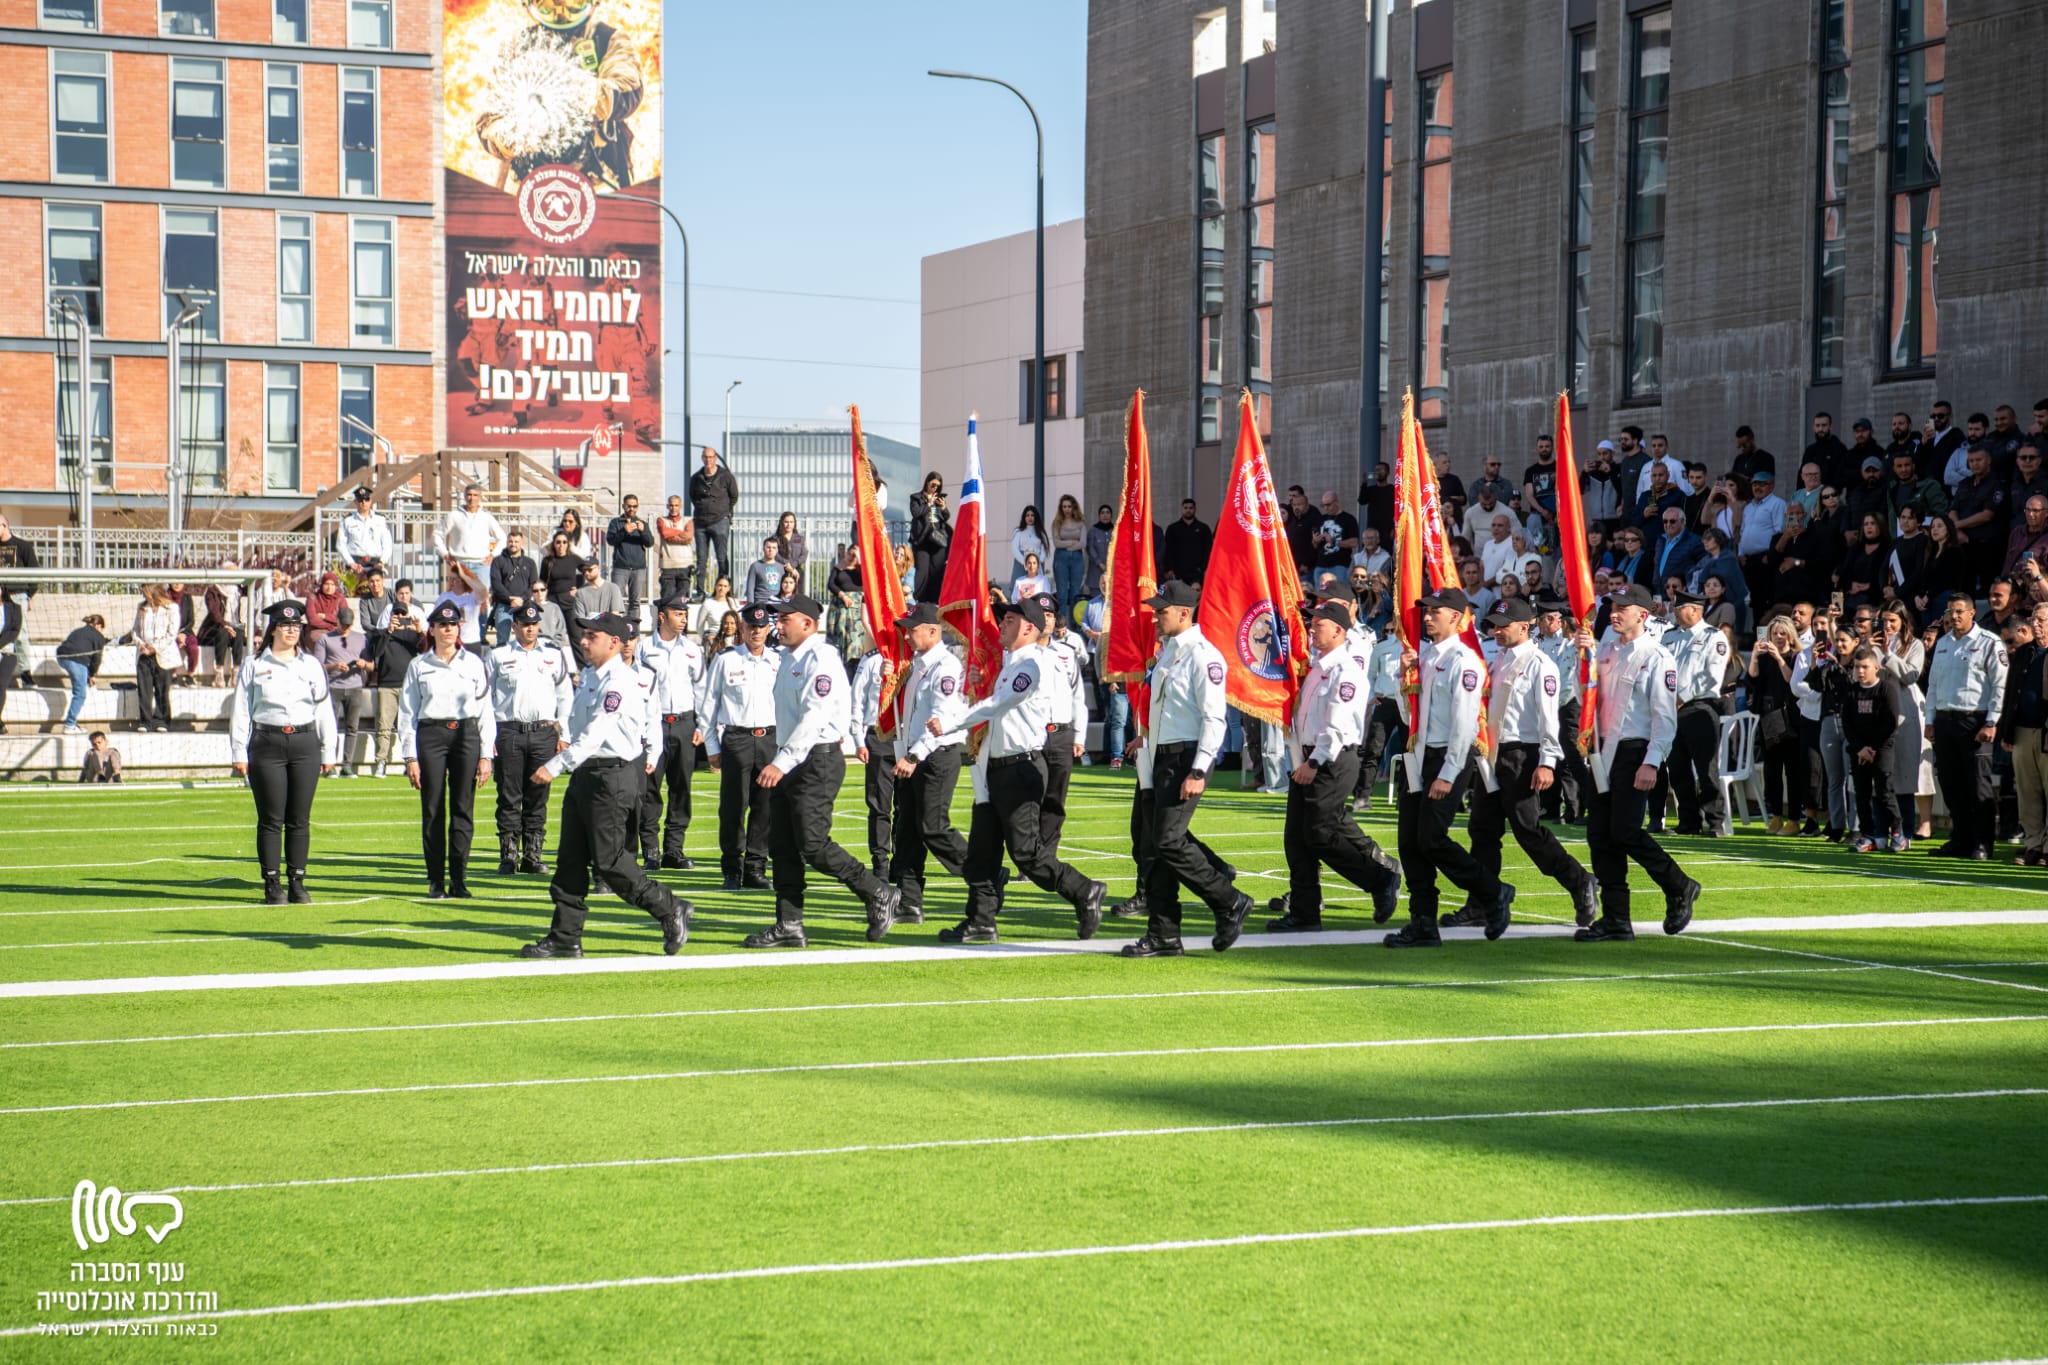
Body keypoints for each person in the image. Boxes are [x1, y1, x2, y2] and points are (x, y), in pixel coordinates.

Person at [518, 613, 693, 960]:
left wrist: (554, 767)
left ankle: (669, 907)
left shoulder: (619, 682)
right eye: (583, 635)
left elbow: (596, 732)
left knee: (610, 862)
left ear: (613, 642)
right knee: (569, 859)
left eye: (591, 636)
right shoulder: (590, 677)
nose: (583, 641)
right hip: (588, 774)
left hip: (612, 776)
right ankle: (565, 936)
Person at [942, 598, 1108, 946]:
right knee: (982, 853)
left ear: (1029, 628)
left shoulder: (1030, 665)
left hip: (1021, 768)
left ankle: (1084, 890)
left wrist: (950, 721)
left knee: (1028, 854)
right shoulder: (1011, 663)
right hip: (998, 767)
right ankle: (980, 920)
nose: (1002, 624)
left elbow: (1000, 704)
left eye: (1010, 620)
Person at [740, 594, 901, 948]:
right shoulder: (788, 658)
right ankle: (789, 923)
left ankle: (876, 891)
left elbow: (814, 717)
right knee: (782, 846)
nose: (776, 625)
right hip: (793, 757)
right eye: (776, 619)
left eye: (784, 619)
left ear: (808, 624)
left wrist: (780, 763)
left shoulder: (821, 658)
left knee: (812, 843)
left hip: (816, 759)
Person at [1120, 582, 1252, 957]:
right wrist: (1147, 740)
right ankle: (1163, 934)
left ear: (1183, 613)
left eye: (1162, 610)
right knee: (1157, 846)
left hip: (1187, 758)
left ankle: (1228, 900)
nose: (1156, 616)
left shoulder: (1202, 656)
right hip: (1162, 755)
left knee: (1167, 841)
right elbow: (1165, 710)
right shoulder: (1169, 654)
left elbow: (1214, 718)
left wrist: (1198, 769)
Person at [1453, 598, 1597, 927]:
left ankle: (1579, 881)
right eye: (1495, 624)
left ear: (1524, 626)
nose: (1497, 630)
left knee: (1528, 831)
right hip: (1492, 753)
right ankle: (1482, 902)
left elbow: (1550, 719)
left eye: (1504, 625)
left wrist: (1547, 761)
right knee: (1482, 831)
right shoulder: (1495, 659)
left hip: (1523, 754)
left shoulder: (1539, 664)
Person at [1382, 588, 1513, 948]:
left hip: (1446, 758)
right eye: (1426, 611)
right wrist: (1400, 677)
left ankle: (1493, 890)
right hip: (1420, 755)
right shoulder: (1425, 658)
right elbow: (1409, 714)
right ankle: (1422, 922)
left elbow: (1465, 724)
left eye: (1436, 611)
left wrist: (1448, 773)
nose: (1427, 617)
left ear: (1456, 618)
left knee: (1431, 838)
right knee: (1410, 843)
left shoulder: (1464, 662)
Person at [1264, 600, 1402, 934]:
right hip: (1309, 758)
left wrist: (1314, 761)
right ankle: (1305, 911)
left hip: (1332, 759)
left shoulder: (1346, 670)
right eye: (1312, 623)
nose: (1312, 628)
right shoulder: (1316, 667)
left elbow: (1337, 724)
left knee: (1320, 834)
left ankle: (1380, 879)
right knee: (1297, 839)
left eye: (1319, 624)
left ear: (1338, 630)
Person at [1573, 584, 1700, 941]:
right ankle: (1616, 918)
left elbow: (1664, 716)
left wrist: (1653, 762)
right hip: (1603, 751)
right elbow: (1584, 695)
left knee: (1625, 831)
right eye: (1613, 606)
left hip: (1634, 750)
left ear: (1642, 614)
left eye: (1622, 608)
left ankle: (1679, 885)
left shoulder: (1656, 656)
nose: (1614, 613)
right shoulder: (1607, 650)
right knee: (1600, 836)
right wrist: (1581, 658)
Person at [229, 600, 337, 905]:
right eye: (286, 625)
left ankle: (297, 881)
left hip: (304, 743)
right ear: (273, 629)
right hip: (267, 743)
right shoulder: (255, 664)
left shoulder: (310, 664)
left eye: (296, 626)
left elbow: (323, 709)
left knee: (300, 818)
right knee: (271, 818)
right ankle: (272, 883)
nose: (292, 631)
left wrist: (329, 750)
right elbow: (241, 710)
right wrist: (239, 750)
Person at [881, 603, 969, 933]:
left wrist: (914, 756)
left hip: (935, 755)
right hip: (913, 755)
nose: (907, 633)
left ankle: (984, 874)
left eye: (913, 628)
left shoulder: (945, 667)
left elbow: (940, 720)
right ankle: (908, 901)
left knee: (932, 827)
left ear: (933, 630)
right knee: (906, 832)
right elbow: (910, 717)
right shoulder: (917, 665)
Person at [398, 602, 496, 898]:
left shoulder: (473, 663)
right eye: (442, 625)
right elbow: (407, 713)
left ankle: (459, 878)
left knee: (463, 809)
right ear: (432, 629)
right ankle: (436, 880)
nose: (448, 630)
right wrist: (410, 756)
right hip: (431, 734)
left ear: (459, 628)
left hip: (465, 734)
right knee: (433, 808)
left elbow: (485, 710)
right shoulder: (419, 665)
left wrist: (486, 754)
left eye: (453, 625)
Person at [487, 602, 573, 874]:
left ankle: (533, 855)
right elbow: (484, 699)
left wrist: (565, 734)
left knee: (538, 795)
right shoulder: (498, 656)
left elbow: (566, 696)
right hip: (509, 731)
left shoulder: (553, 655)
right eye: (525, 624)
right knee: (509, 796)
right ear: (514, 627)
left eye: (534, 624)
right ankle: (509, 855)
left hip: (544, 733)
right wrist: (487, 736)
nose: (530, 629)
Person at [700, 601, 780, 889]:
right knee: (733, 807)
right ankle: (732, 868)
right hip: (737, 739)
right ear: (742, 628)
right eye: (751, 627)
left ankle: (756, 868)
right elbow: (708, 704)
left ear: (768, 628)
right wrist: (712, 747)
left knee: (764, 806)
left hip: (770, 739)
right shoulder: (726, 659)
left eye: (761, 627)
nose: (756, 632)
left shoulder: (777, 660)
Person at [1924, 592, 2006, 860]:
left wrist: (1992, 721)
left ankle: (1982, 843)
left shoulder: (1989, 643)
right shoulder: (1944, 643)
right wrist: (1931, 720)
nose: (1954, 617)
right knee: (1951, 783)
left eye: (1959, 612)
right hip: (1946, 720)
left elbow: (1999, 686)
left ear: (1972, 613)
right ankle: (1960, 839)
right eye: (1950, 612)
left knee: (1978, 784)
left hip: (1975, 721)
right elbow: (1933, 685)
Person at [637, 593, 704, 871]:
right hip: (655, 724)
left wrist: (702, 725)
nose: (683, 618)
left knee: (681, 788)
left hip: (685, 724)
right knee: (650, 789)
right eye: (678, 613)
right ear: (662, 615)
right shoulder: (643, 648)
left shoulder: (692, 649)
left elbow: (701, 689)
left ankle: (674, 849)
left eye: (685, 614)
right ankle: (651, 850)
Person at [1664, 591, 1731, 836]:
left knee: (1706, 769)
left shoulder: (1714, 637)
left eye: (1679, 607)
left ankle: (1715, 822)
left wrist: (1682, 697)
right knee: (1678, 769)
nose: (1674, 611)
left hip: (1699, 708)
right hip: (1670, 710)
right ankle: (1688, 822)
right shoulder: (1669, 637)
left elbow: (1712, 676)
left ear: (1695, 609)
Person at [1999, 602, 2048, 865]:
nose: (2036, 625)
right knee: (2028, 792)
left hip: (2046, 731)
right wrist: (2005, 731)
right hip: (2022, 731)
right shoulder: (2023, 653)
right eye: (2033, 620)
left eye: (2041, 620)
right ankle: (2033, 845)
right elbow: (2010, 694)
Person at [363, 595, 426, 778]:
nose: (399, 617)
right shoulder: (381, 633)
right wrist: (388, 631)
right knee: (384, 726)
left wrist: (419, 631)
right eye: (396, 614)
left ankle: (411, 762)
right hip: (387, 684)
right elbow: (376, 653)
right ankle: (381, 762)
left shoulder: (413, 634)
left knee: (410, 726)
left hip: (409, 686)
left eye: (402, 614)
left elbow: (426, 651)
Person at [852, 643, 897, 880]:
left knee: (905, 808)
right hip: (878, 735)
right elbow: (857, 699)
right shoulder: (871, 660)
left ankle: (902, 861)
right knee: (880, 806)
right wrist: (858, 739)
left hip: (906, 737)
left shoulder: (915, 658)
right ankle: (881, 863)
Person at [316, 607, 373, 776]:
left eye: (349, 625)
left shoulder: (362, 639)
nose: (346, 628)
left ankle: (347, 765)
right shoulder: (325, 639)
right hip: (333, 687)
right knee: (330, 728)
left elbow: (371, 665)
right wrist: (334, 666)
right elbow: (318, 666)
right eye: (343, 625)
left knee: (352, 728)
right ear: (337, 621)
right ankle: (329, 764)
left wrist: (364, 664)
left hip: (355, 686)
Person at [434, 484, 505, 599]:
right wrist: (445, 554)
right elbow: (437, 535)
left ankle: (481, 618)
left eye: (475, 495)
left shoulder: (486, 517)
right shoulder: (454, 516)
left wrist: (493, 555)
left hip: (481, 565)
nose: (472, 498)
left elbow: (502, 538)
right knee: (458, 598)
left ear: (480, 498)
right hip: (459, 564)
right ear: (465, 496)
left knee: (481, 601)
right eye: (469, 495)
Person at [688, 447, 740, 595]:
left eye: (710, 457)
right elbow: (693, 496)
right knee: (701, 558)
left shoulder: (726, 476)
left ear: (715, 458)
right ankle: (700, 591)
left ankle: (723, 589)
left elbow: (734, 496)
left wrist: (724, 511)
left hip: (720, 522)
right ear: (702, 458)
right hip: (700, 523)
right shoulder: (696, 478)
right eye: (705, 457)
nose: (708, 460)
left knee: (722, 557)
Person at [133, 585, 178, 733]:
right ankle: (145, 721)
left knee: (162, 689)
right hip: (144, 654)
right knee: (144, 690)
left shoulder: (171, 608)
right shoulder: (142, 608)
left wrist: (155, 647)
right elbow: (135, 630)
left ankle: (162, 720)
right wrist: (141, 644)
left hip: (162, 654)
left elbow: (172, 633)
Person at [605, 494, 655, 624]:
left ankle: (634, 633)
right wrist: (624, 531)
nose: (631, 509)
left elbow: (650, 543)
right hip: (620, 567)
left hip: (638, 568)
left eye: (634, 506)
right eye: (629, 506)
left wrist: (643, 531)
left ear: (637, 507)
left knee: (635, 603)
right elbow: (610, 540)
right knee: (616, 600)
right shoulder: (616, 523)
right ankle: (616, 629)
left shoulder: (642, 523)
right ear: (623, 507)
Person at [56, 614, 107, 733]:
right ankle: (70, 724)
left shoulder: (78, 631)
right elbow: (97, 659)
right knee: (80, 694)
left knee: (80, 684)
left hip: (62, 657)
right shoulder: (98, 636)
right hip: (77, 661)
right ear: (98, 626)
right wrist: (92, 675)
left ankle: (72, 723)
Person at [487, 530, 539, 647]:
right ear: (507, 543)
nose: (513, 544)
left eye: (516, 541)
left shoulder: (530, 563)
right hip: (504, 605)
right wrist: (510, 599)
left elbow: (533, 585)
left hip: (524, 605)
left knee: (525, 639)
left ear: (522, 544)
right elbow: (496, 584)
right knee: (502, 641)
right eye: (510, 541)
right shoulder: (498, 561)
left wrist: (522, 599)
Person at [910, 473, 952, 603]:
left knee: (936, 572)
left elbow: (945, 517)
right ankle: (920, 601)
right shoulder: (916, 497)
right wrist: (928, 504)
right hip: (922, 539)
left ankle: (934, 602)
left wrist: (944, 508)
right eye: (933, 485)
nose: (935, 489)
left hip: (938, 539)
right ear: (927, 483)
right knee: (922, 571)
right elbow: (916, 513)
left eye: (938, 487)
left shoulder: (938, 498)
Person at [336, 486, 395, 573]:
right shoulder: (348, 520)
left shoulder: (380, 519)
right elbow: (341, 545)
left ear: (370, 501)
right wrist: (351, 563)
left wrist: (382, 561)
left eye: (366, 499)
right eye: (360, 500)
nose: (363, 502)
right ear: (355, 502)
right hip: (355, 565)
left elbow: (387, 544)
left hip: (375, 564)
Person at [200, 581, 247, 686]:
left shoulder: (238, 589)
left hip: (234, 625)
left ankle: (236, 671)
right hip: (215, 627)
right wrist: (225, 624)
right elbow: (214, 612)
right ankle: (219, 671)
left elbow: (255, 587)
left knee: (239, 632)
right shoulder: (213, 590)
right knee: (223, 632)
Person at [655, 495, 696, 606]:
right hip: (668, 566)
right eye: (671, 505)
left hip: (685, 565)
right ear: (668, 506)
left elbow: (689, 535)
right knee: (667, 599)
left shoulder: (688, 520)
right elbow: (664, 533)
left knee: (682, 601)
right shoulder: (661, 520)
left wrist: (671, 534)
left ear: (680, 506)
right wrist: (681, 534)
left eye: (676, 505)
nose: (673, 508)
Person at [1049, 494, 1088, 612]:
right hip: (1061, 558)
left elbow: (1083, 543)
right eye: (1064, 506)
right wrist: (1072, 542)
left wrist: (1066, 544)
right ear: (1061, 508)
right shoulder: (1057, 523)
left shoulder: (1081, 522)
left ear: (1073, 507)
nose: (1067, 509)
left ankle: (1074, 625)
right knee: (1062, 592)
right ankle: (1061, 625)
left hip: (1077, 558)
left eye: (1069, 506)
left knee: (1075, 591)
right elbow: (1056, 543)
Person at [541, 528, 588, 605]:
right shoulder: (547, 561)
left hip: (569, 600)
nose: (561, 545)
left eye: (564, 542)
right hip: (552, 600)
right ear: (554, 544)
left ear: (568, 544)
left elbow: (588, 572)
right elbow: (542, 581)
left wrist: (580, 588)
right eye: (558, 542)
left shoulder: (574, 558)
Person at [1010, 505, 1049, 586]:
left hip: (1036, 564)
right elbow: (1014, 549)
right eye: (1027, 515)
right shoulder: (1018, 531)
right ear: (1024, 517)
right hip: (1021, 563)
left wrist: (1036, 562)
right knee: (1020, 587)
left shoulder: (1041, 533)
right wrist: (1025, 562)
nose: (1030, 518)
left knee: (1036, 587)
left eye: (1032, 515)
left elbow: (1044, 551)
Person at [1083, 502, 1114, 600]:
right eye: (1102, 513)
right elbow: (1090, 548)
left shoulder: (1116, 530)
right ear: (1099, 516)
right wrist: (1099, 563)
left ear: (1111, 515)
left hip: (1113, 571)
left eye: (1108, 512)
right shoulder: (1093, 530)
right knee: (1096, 600)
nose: (1105, 515)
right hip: (1096, 572)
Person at [694, 575, 737, 642]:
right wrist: (705, 638)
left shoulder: (733, 602)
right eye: (720, 585)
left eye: (725, 586)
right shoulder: (707, 603)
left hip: (731, 636)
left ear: (729, 588)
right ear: (715, 586)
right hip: (713, 637)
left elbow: (738, 622)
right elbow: (699, 627)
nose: (722, 588)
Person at [744, 536, 785, 605]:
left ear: (777, 550)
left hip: (777, 604)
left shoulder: (781, 567)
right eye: (768, 547)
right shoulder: (755, 566)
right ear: (763, 548)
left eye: (774, 548)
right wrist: (750, 605)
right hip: (760, 604)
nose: (771, 550)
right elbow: (750, 589)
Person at [772, 510, 809, 579]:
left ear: (794, 523)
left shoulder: (800, 539)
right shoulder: (775, 539)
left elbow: (804, 554)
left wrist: (792, 565)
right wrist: (788, 565)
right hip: (779, 571)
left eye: (791, 522)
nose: (789, 524)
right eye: (786, 522)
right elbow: (775, 555)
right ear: (781, 523)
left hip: (797, 571)